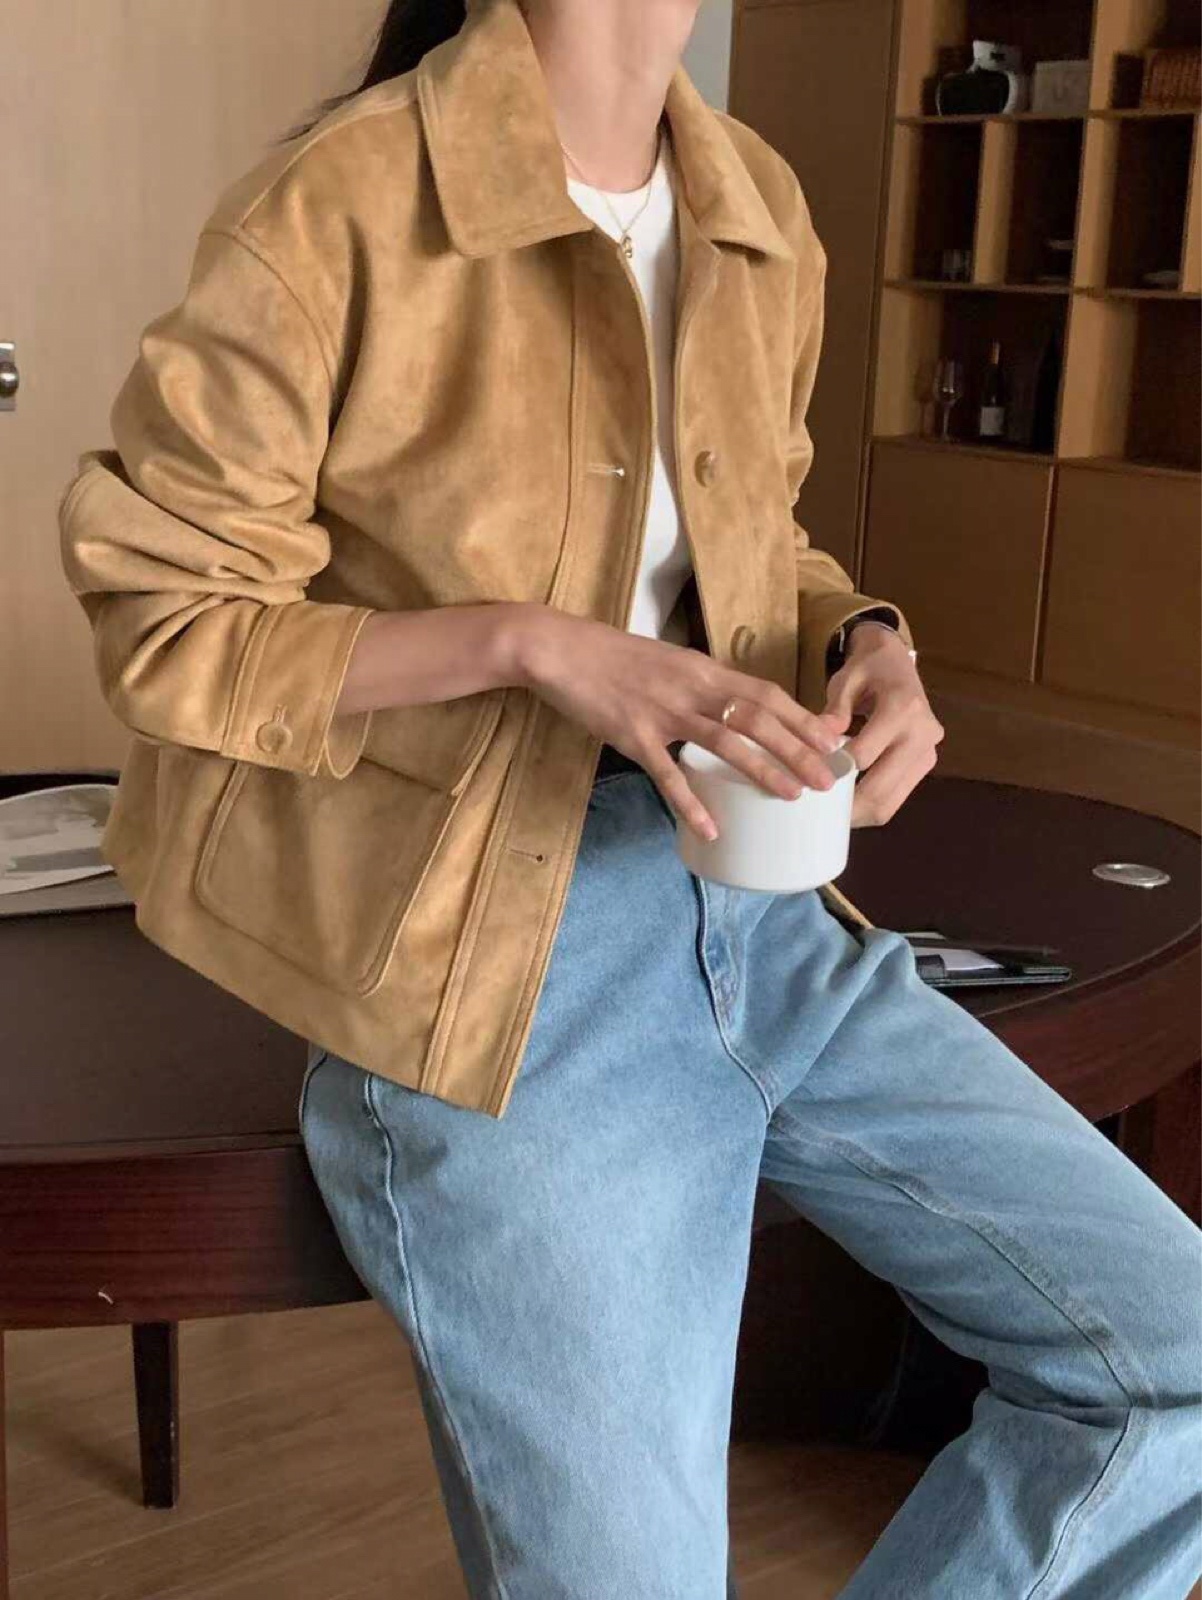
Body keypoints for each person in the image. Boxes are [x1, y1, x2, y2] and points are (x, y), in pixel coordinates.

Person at [60, 1, 1201, 1594]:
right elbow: (171, 625)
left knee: (1168, 1362)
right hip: (497, 972)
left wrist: (863, 640)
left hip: (768, 919)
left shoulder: (753, 201)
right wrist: (534, 647)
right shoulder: (339, 203)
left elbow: (759, 543)